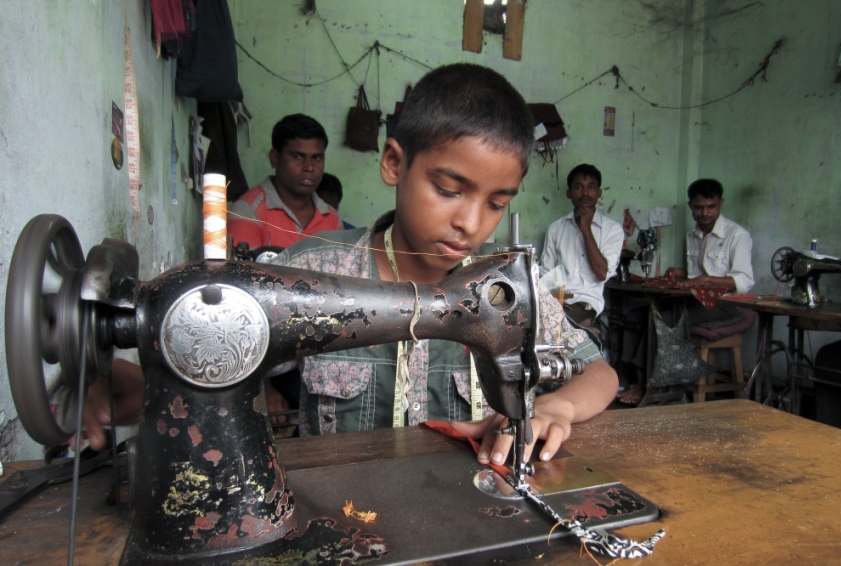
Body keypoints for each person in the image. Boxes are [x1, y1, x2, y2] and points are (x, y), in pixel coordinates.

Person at [80, 64, 619, 468]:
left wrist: (559, 409)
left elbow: (600, 372)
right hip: (340, 513)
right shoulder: (312, 274)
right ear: (394, 163)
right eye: (448, 190)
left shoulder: (505, 290)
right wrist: (122, 389)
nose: (471, 223)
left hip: (465, 509)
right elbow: (215, 366)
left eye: (497, 203)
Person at [618, 178, 754, 404]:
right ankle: (628, 378)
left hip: (724, 305)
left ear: (721, 203)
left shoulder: (736, 235)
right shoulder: (693, 234)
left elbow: (744, 281)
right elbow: (695, 274)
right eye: (699, 207)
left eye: (711, 207)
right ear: (690, 205)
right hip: (694, 301)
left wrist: (706, 279)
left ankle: (646, 386)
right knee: (635, 315)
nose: (705, 213)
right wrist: (680, 272)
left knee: (659, 321)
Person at [228, 114, 343, 249]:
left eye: (316, 158)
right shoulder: (248, 212)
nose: (309, 167)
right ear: (275, 158)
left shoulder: (332, 218)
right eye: (298, 157)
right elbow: (243, 263)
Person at [539, 164, 624, 333]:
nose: (585, 193)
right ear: (568, 193)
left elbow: (601, 274)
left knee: (550, 325)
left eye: (591, 187)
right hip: (557, 301)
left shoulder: (612, 230)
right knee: (524, 321)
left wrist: (586, 229)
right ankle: (585, 330)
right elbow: (547, 274)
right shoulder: (556, 228)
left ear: (599, 193)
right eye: (578, 187)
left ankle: (584, 328)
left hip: (586, 303)